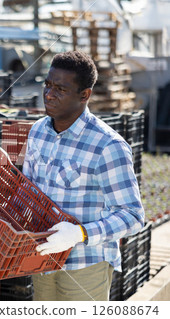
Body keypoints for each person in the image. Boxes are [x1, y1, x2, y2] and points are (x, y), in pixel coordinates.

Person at [22, 51, 144, 301]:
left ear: (84, 95)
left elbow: (132, 216)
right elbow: (28, 193)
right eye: (47, 84)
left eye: (60, 89)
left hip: (85, 265)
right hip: (42, 260)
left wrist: (80, 234)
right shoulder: (38, 132)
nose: (49, 94)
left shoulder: (107, 145)